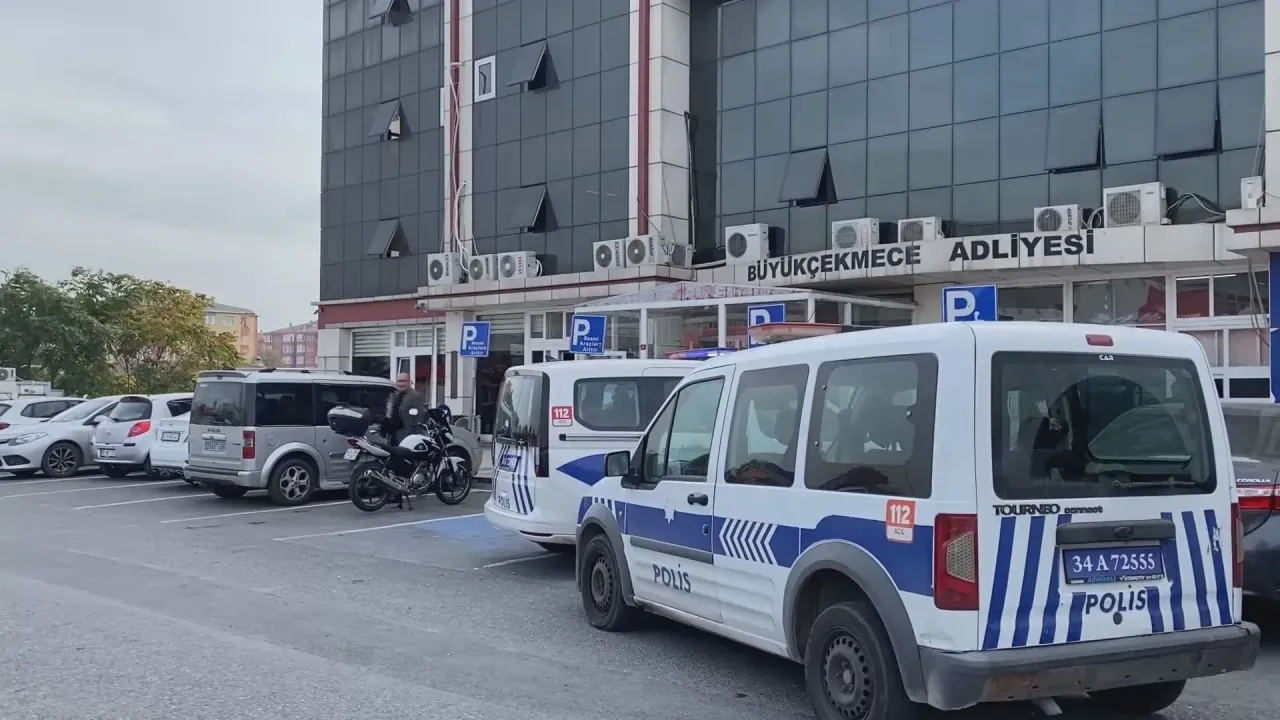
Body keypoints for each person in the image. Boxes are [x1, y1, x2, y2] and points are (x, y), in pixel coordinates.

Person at [382, 373, 425, 444]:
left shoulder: (415, 396)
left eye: (404, 381)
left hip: (406, 436)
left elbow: (419, 418)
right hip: (393, 435)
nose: (401, 384)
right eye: (399, 381)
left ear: (409, 382)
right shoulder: (395, 395)